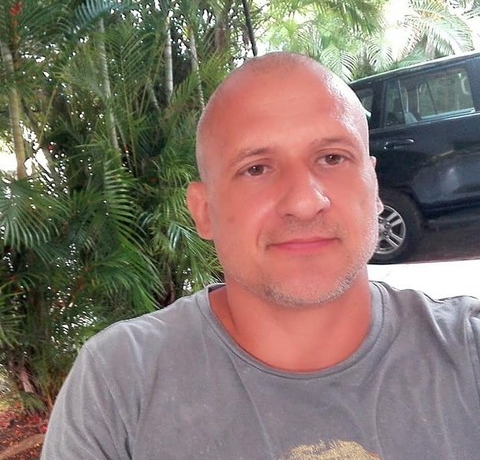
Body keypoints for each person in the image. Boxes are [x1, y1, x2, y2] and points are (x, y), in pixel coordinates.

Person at [41, 52, 480, 460]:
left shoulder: (467, 351)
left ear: (373, 184)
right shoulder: (118, 384)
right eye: (256, 168)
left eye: (332, 157)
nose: (304, 202)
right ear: (204, 211)